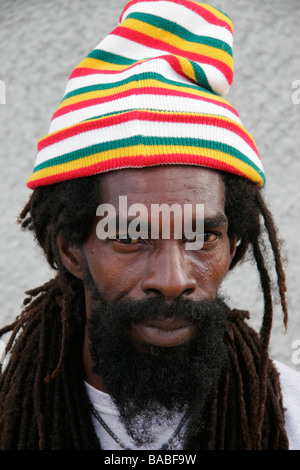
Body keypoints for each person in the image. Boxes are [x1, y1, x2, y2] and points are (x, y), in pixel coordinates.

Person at [0, 0, 299, 451]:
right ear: (70, 250)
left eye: (202, 237)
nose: (173, 280)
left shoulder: (287, 417)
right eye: (129, 237)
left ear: (233, 248)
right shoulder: (11, 415)